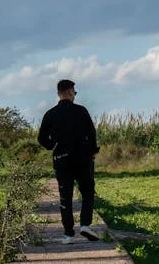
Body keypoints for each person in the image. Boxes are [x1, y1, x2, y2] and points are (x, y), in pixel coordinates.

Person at [37, 79, 101, 244]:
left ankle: (68, 234)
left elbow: (42, 138)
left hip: (62, 158)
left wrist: (52, 145)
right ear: (71, 92)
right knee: (87, 191)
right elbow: (91, 133)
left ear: (59, 94)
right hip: (82, 157)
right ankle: (85, 224)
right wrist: (93, 151)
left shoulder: (50, 114)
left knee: (65, 196)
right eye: (74, 92)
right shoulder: (81, 111)